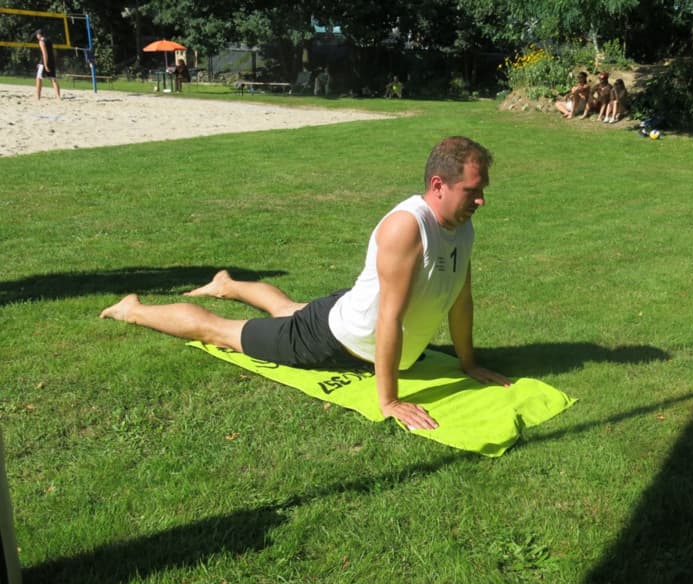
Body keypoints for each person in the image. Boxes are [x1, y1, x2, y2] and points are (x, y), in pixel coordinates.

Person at [100, 136, 511, 430]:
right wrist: (388, 400)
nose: (481, 201)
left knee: (286, 309)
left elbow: (460, 300)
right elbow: (390, 317)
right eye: (472, 191)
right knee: (221, 332)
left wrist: (468, 364)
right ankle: (132, 309)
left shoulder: (462, 227)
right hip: (332, 340)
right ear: (438, 185)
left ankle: (226, 284)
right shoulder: (408, 228)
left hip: (349, 313)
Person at [34, 29, 61, 100]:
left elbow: (45, 54)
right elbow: (51, 53)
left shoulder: (41, 41)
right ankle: (58, 96)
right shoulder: (49, 40)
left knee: (38, 78)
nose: (36, 36)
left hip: (44, 62)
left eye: (37, 35)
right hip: (52, 61)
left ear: (39, 35)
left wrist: (45, 65)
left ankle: (38, 97)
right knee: (53, 79)